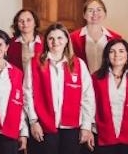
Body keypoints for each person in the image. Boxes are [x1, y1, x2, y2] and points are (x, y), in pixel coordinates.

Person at [24, 23, 95, 154]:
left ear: (67, 40)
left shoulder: (79, 64)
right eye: (51, 38)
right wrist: (33, 121)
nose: (55, 42)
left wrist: (86, 126)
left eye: (59, 38)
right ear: (46, 41)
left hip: (71, 127)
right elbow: (27, 94)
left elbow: (88, 97)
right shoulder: (35, 63)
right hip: (43, 126)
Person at [92, 39, 128, 154]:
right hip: (102, 138)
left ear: (127, 54)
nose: (117, 55)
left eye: (121, 51)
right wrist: (88, 130)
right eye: (112, 51)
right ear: (107, 56)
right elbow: (89, 106)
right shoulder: (96, 78)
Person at [70, 0, 122, 73]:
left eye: (99, 10)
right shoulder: (73, 38)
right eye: (90, 10)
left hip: (107, 82)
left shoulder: (116, 38)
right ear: (84, 15)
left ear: (105, 14)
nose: (95, 13)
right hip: (83, 82)